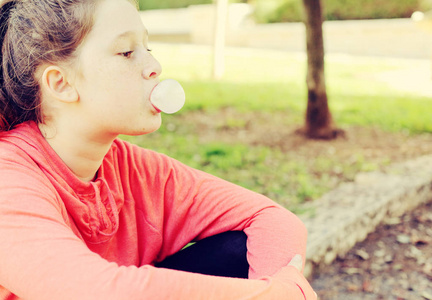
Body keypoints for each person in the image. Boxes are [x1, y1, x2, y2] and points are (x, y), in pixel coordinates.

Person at [0, 0, 317, 299]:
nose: (154, 66)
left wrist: (280, 292)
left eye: (147, 48)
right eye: (126, 52)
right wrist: (273, 293)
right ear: (61, 84)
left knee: (240, 248)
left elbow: (272, 220)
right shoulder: (8, 183)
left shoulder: (135, 169)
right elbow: (98, 293)